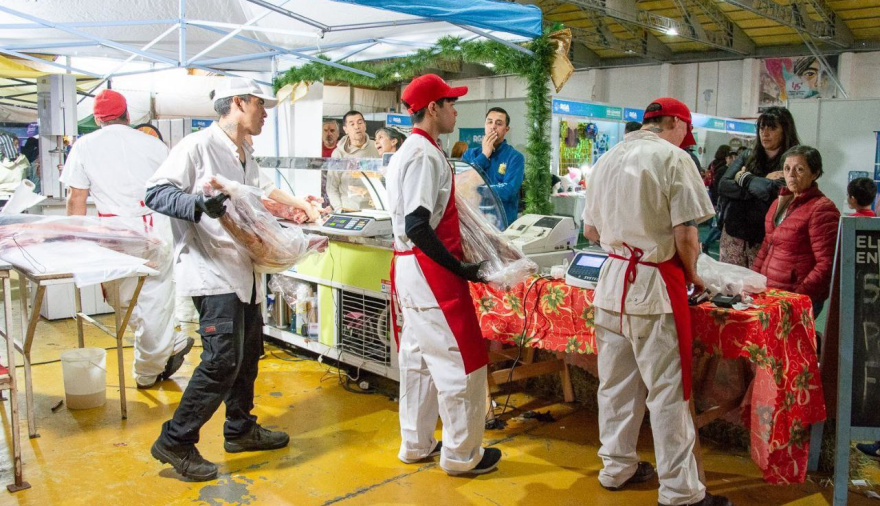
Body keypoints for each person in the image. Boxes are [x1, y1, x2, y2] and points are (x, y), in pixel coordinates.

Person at [582, 97, 730, 506]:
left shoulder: (608, 157)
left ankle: (616, 467)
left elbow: (591, 231)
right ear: (677, 124)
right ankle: (681, 492)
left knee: (614, 386)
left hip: (612, 282)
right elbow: (686, 235)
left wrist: (624, 238)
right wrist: (696, 276)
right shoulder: (674, 159)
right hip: (652, 286)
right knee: (667, 392)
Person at [144, 77, 290, 481]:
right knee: (221, 360)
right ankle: (176, 440)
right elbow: (155, 193)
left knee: (247, 357)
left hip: (246, 271)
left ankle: (240, 429)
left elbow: (254, 204)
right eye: (261, 105)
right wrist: (197, 204)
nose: (265, 113)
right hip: (211, 271)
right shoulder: (197, 146)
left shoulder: (247, 154)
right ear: (240, 103)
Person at [387, 74, 501, 477]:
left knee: (417, 357)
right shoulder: (422, 154)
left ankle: (416, 444)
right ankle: (462, 454)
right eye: (450, 103)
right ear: (432, 108)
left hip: (410, 266)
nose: (456, 109)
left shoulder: (412, 150)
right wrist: (461, 268)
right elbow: (418, 224)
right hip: (429, 269)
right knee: (461, 361)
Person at [60, 89, 193, 389]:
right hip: (156, 231)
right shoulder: (154, 144)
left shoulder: (84, 146)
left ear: (97, 119)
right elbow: (175, 189)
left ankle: (148, 370)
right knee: (155, 300)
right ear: (128, 116)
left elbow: (76, 198)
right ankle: (168, 345)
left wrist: (75, 242)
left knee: (125, 301)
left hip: (116, 237)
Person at [752, 145, 840, 318]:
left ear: (815, 173)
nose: (791, 174)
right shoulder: (779, 203)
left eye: (799, 169)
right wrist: (753, 281)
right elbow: (766, 246)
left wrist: (798, 296)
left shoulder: (822, 209)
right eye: (787, 168)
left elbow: (826, 263)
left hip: (796, 298)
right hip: (771, 293)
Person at [717, 107, 801, 268]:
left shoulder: (793, 160)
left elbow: (771, 191)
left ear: (785, 130)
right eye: (762, 127)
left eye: (772, 127)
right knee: (730, 287)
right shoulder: (748, 155)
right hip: (733, 232)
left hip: (766, 238)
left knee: (760, 288)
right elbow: (723, 185)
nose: (765, 133)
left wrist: (742, 177)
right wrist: (760, 182)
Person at [462, 107, 525, 226]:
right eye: (489, 122)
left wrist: (477, 189)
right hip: (473, 223)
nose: (493, 126)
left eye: (499, 123)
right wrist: (484, 155)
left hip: (501, 225)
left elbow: (509, 191)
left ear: (506, 129)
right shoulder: (470, 154)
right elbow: (463, 184)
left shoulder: (515, 157)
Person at [328, 110, 380, 211]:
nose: (357, 127)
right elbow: (331, 187)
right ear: (345, 129)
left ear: (365, 125)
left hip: (376, 209)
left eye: (360, 122)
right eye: (352, 124)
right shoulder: (338, 153)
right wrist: (339, 209)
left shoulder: (377, 147)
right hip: (349, 209)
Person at [701, 145, 735, 253]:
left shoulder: (713, 163)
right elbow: (720, 186)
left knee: (715, 222)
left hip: (713, 196)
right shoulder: (724, 169)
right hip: (719, 199)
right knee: (718, 225)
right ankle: (706, 242)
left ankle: (707, 242)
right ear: (726, 157)